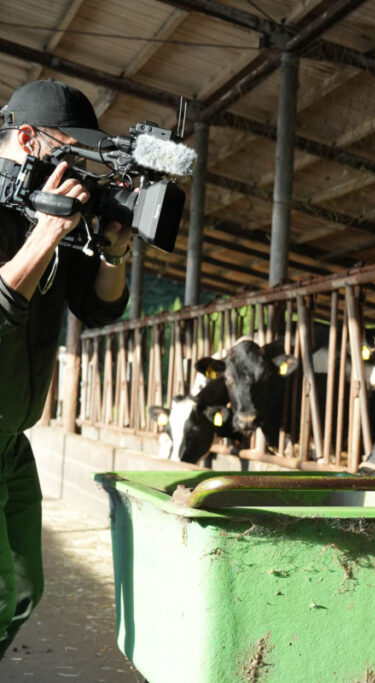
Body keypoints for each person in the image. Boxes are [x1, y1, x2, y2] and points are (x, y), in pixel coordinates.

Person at [0, 80, 130, 657]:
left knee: (25, 591)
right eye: (68, 148)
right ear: (28, 139)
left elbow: (98, 308)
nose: (78, 163)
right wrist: (46, 232)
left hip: (11, 436)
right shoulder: (42, 218)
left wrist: (115, 251)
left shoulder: (52, 210)